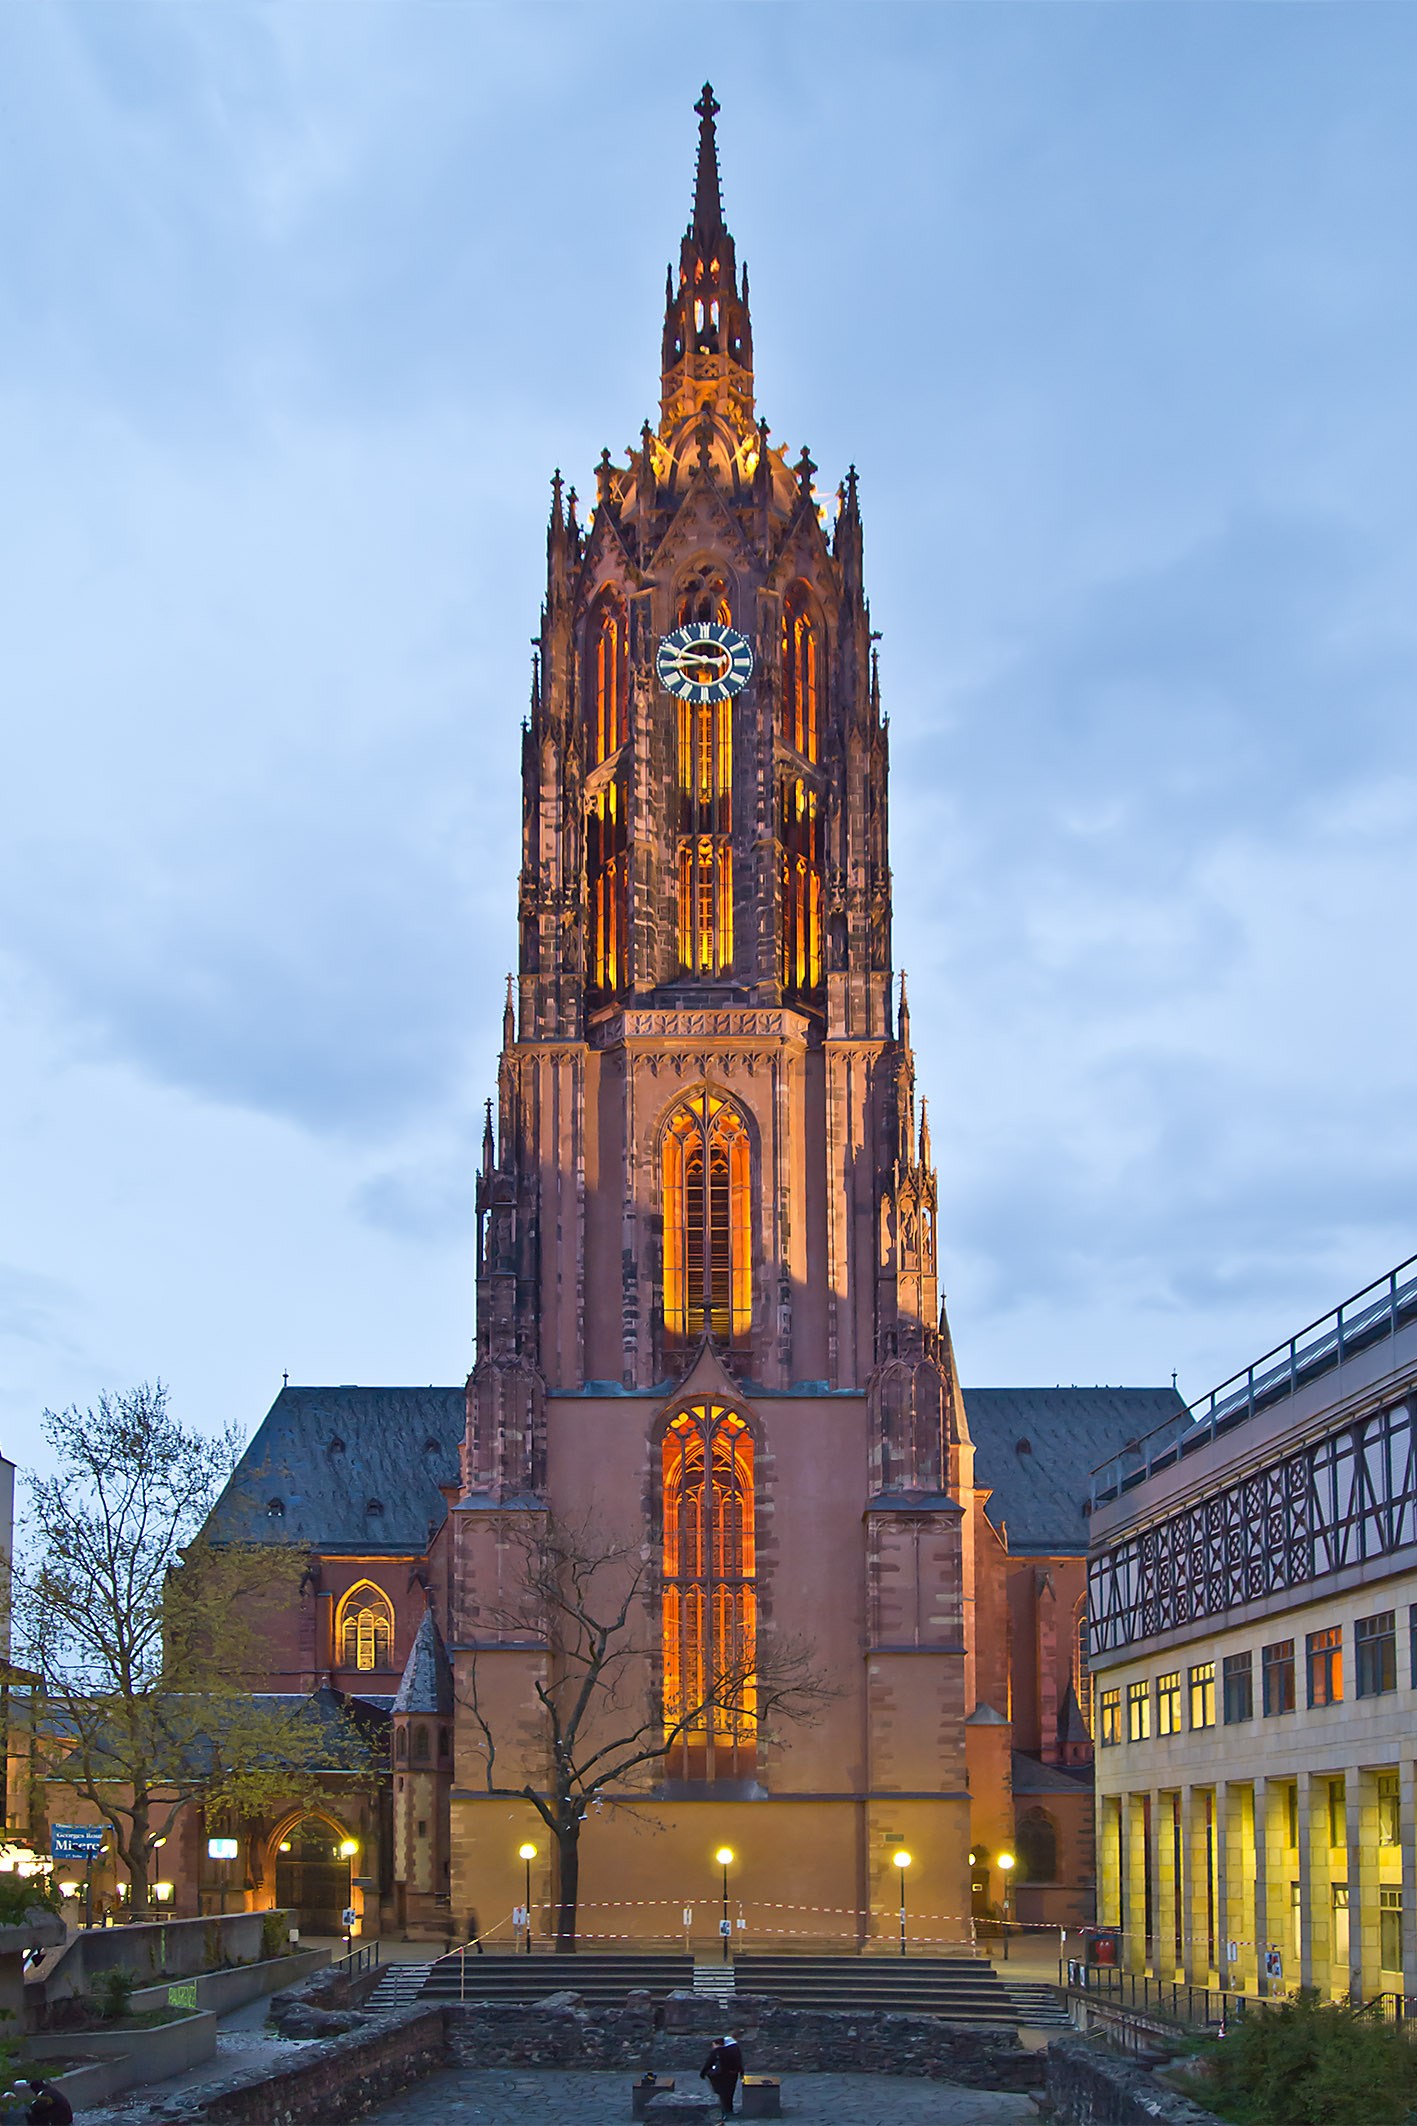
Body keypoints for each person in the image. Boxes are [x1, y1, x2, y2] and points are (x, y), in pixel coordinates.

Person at [699, 2034, 743, 2120]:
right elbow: (739, 2063)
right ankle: (729, 2110)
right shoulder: (734, 2049)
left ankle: (723, 2112)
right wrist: (741, 2073)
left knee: (720, 2094)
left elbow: (709, 2063)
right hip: (731, 2076)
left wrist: (703, 2073)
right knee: (729, 2094)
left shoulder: (717, 2052)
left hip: (719, 2076)